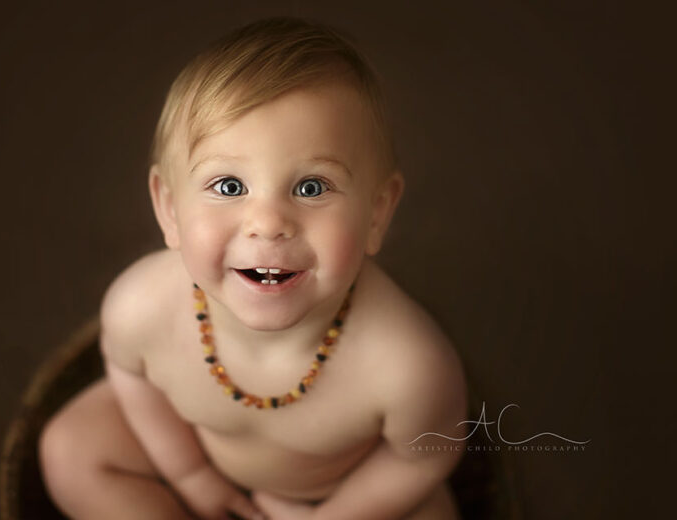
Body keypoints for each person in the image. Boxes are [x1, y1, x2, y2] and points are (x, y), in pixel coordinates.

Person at [39, 17, 468, 520]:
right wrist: (189, 476)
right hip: (197, 458)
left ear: (377, 212)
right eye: (228, 187)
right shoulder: (142, 307)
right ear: (170, 209)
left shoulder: (407, 365)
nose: (267, 224)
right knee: (72, 448)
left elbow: (421, 461)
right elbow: (129, 376)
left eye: (311, 187)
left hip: (338, 494)